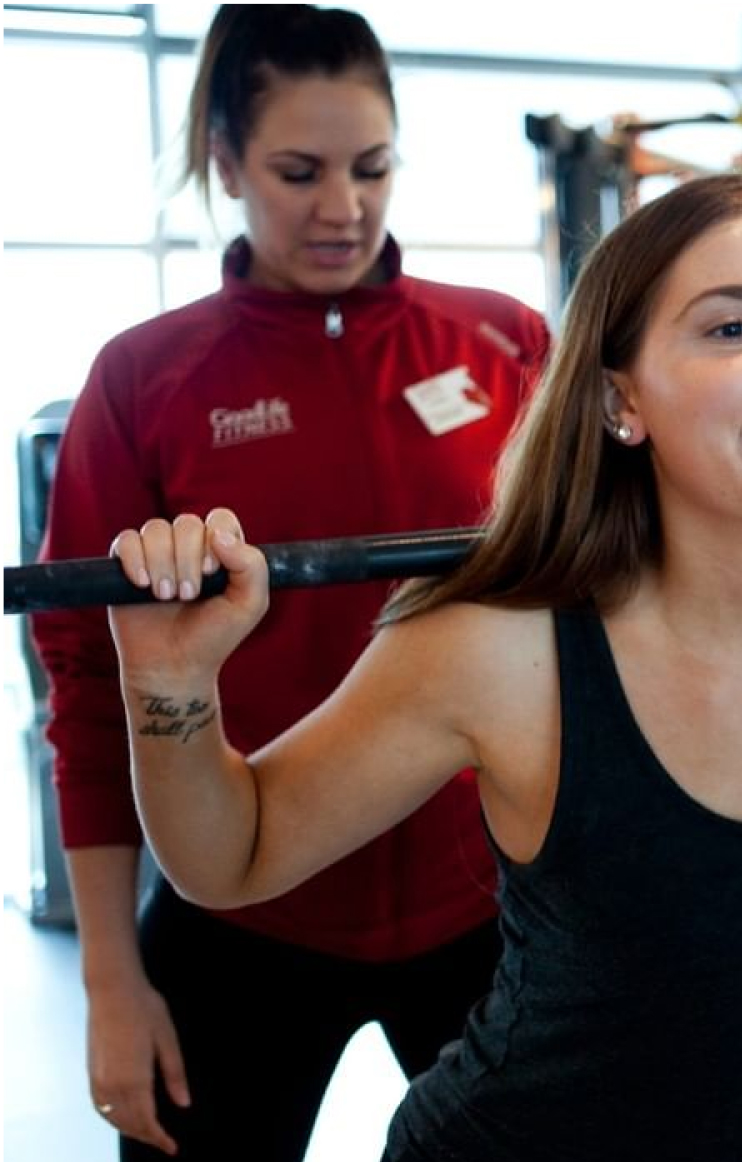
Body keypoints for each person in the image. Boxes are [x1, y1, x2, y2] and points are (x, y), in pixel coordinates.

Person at [105, 172, 742, 1162]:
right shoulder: (504, 645)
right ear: (622, 402)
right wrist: (169, 687)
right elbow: (232, 856)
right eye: (733, 326)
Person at [30, 6, 548, 1159]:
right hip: (240, 912)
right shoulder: (145, 378)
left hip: (487, 904)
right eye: (299, 172)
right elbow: (88, 690)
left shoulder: (505, 345)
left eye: (373, 167)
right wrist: (111, 981)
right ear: (226, 164)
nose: (343, 207)